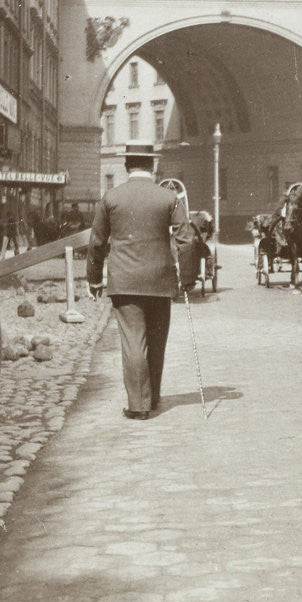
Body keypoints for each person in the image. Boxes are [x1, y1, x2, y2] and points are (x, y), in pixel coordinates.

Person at [87, 142, 187, 421]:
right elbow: (186, 239)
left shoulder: (111, 197)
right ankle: (152, 398)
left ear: (126, 165)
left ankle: (139, 405)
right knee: (157, 340)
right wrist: (187, 280)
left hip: (125, 281)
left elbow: (96, 243)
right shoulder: (169, 197)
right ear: (152, 166)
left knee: (134, 341)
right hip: (160, 280)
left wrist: (94, 279)